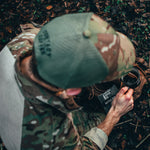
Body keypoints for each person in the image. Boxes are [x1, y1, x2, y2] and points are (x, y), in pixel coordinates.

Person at [0, 12, 135, 150]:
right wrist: (114, 113)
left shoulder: (25, 40)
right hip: (25, 136)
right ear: (72, 91)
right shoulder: (52, 133)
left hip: (8, 106)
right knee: (99, 117)